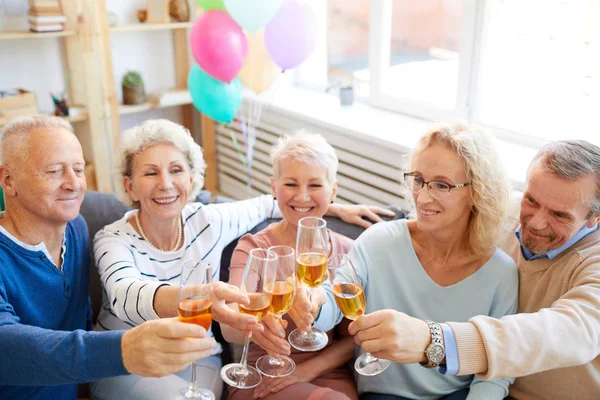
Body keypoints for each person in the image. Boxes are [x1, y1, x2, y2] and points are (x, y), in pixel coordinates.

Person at [92, 119, 391, 400]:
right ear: (130, 185)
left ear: (193, 178)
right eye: (150, 173)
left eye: (176, 170)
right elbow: (126, 295)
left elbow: (272, 204)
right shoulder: (112, 239)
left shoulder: (209, 220)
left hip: (196, 352)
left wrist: (332, 209)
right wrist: (205, 299)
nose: (166, 184)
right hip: (130, 353)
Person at [0, 116, 257, 400]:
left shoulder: (75, 230)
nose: (73, 184)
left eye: (78, 169)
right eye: (53, 171)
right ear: (8, 180)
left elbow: (79, 318)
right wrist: (122, 349)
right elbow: (6, 346)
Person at [352, 140, 600, 400]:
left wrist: (436, 341)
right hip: (480, 386)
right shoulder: (501, 213)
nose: (536, 222)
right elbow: (434, 211)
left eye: (559, 215)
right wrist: (321, 206)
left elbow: (569, 332)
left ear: (595, 217)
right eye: (531, 200)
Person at [316, 121, 519, 399]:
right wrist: (313, 305)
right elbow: (334, 302)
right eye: (419, 180)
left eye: (441, 185)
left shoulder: (501, 274)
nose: (422, 197)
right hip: (385, 394)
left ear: (477, 192)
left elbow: (497, 370)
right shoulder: (379, 242)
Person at [223, 132, 359, 400]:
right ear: (274, 187)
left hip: (328, 373)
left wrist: (305, 371)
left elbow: (355, 336)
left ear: (333, 191)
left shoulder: (350, 251)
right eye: (291, 184)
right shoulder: (254, 248)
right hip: (264, 373)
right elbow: (230, 329)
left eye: (315, 186)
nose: (303, 196)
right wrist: (257, 318)